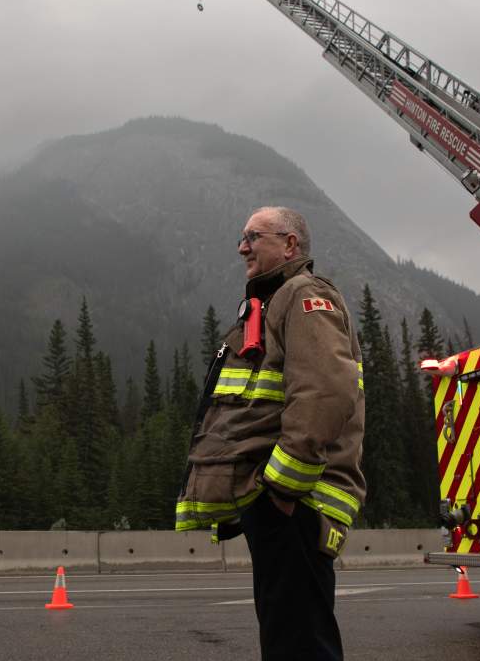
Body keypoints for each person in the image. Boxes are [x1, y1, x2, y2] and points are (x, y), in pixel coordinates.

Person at [176, 206, 366, 661]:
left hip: (296, 502)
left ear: (289, 244)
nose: (242, 246)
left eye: (253, 236)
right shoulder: (274, 301)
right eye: (242, 237)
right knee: (287, 635)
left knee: (298, 642)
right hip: (281, 505)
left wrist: (281, 487)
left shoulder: (303, 295)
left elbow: (325, 392)